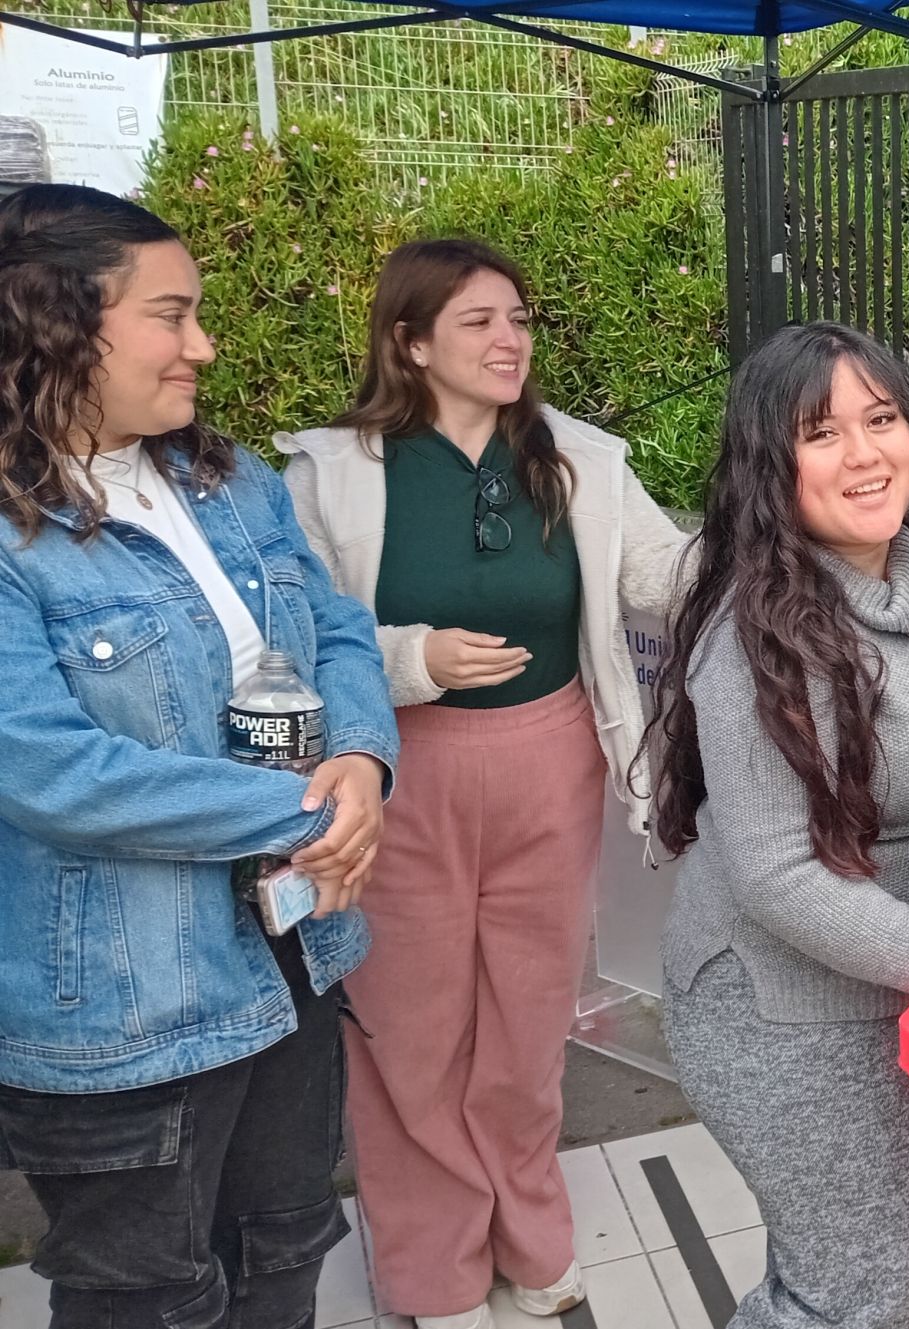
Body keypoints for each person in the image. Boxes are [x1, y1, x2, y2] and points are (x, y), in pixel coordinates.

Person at [0, 184, 397, 1328]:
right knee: (150, 1298)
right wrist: (309, 816)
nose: (204, 346)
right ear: (54, 321)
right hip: (129, 1004)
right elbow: (50, 769)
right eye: (171, 316)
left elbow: (335, 629)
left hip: (292, 955)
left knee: (284, 1253)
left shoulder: (227, 482)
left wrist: (363, 758)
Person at [278, 238, 684, 1328]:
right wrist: (413, 659)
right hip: (393, 770)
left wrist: (782, 537)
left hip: (552, 762)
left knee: (527, 1016)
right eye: (479, 322)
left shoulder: (579, 458)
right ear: (409, 343)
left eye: (519, 319)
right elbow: (292, 633)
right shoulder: (329, 473)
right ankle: (433, 1264)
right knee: (408, 1027)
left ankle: (530, 1233)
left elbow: (662, 575)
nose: (511, 341)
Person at [649, 321, 909, 1328]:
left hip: (903, 982)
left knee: (878, 1282)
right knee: (858, 1298)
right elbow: (778, 875)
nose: (864, 453)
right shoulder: (755, 635)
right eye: (822, 433)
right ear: (770, 465)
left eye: (881, 420)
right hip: (787, 1009)